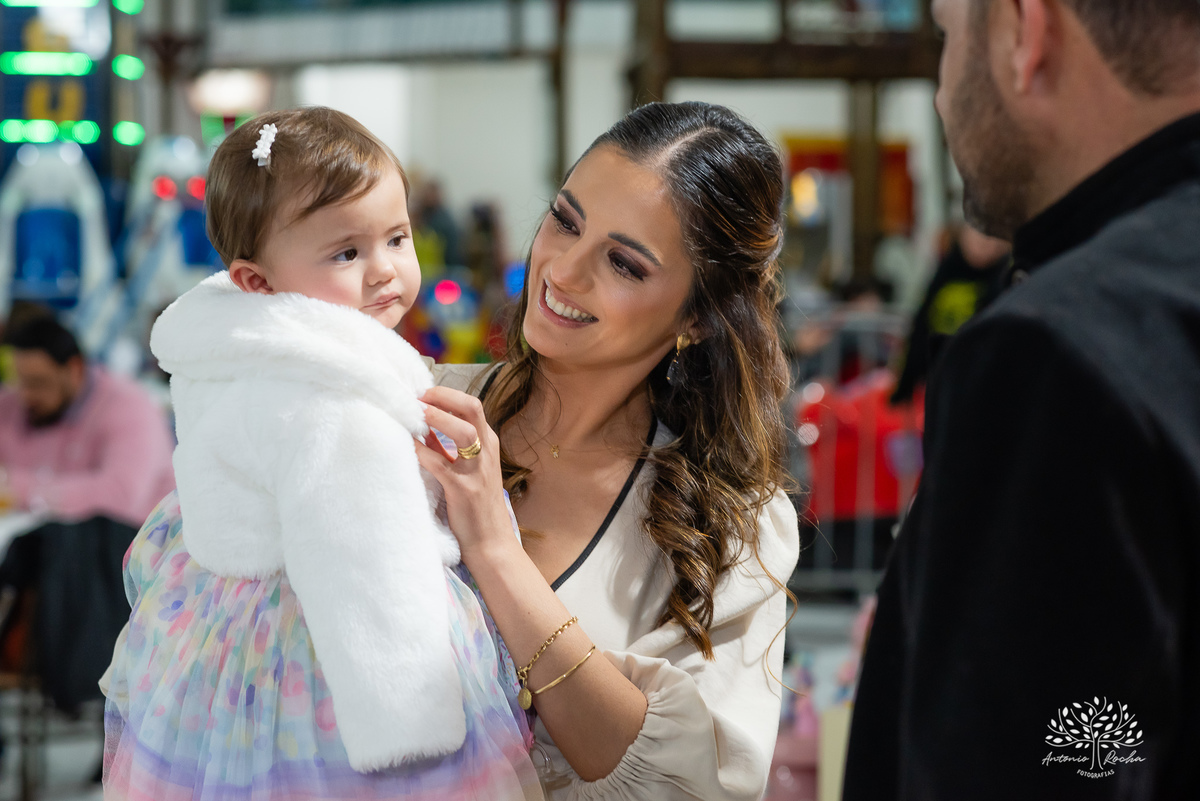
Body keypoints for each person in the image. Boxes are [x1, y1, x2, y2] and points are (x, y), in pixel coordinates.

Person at [101, 107, 541, 800]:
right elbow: (368, 572)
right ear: (255, 279)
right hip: (330, 669)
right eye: (346, 253)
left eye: (396, 237)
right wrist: (412, 735)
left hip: (222, 645)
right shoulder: (335, 401)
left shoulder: (229, 352)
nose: (385, 271)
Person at [843, 1, 1200, 799]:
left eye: (947, 35)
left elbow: (1037, 769)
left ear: (1024, 32)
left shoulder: (1062, 356)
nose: (941, 94)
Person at [415, 101, 801, 799]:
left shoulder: (732, 526)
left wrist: (497, 554)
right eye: (564, 219)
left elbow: (686, 786)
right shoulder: (416, 404)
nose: (562, 271)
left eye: (623, 263)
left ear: (698, 316)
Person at [0, 315, 174, 527]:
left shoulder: (129, 407)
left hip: (129, 547)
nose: (26, 395)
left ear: (74, 370)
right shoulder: (12, 404)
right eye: (21, 382)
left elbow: (120, 496)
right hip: (40, 538)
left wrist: (16, 488)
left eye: (39, 383)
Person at [889, 223, 1009, 404]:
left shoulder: (1005, 279)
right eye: (978, 235)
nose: (985, 244)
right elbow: (922, 325)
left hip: (982, 379)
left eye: (991, 237)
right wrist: (906, 382)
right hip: (940, 376)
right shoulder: (945, 271)